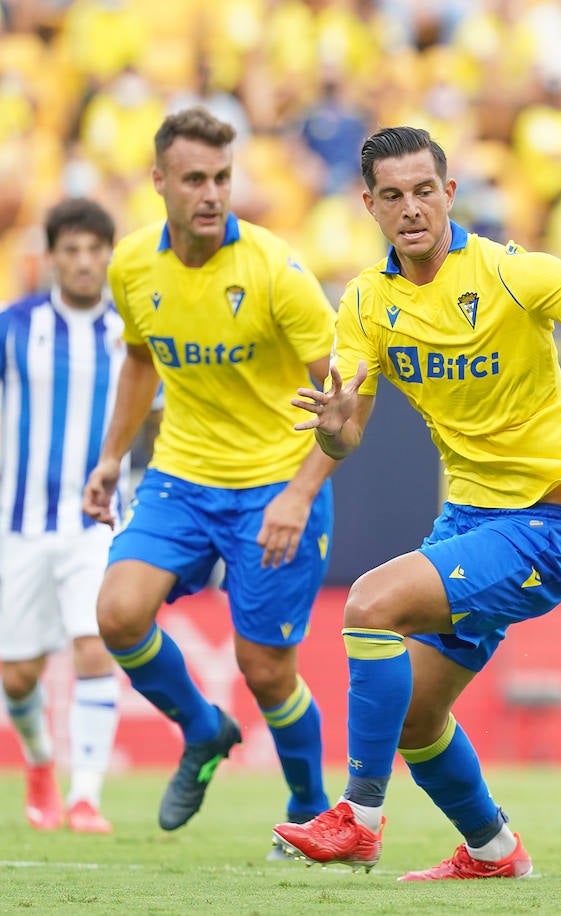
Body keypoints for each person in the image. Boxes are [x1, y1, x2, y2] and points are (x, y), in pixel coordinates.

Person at [271, 126, 561, 879]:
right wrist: (331, 434)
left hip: (543, 524)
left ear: (449, 193)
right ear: (369, 205)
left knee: (367, 604)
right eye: (392, 196)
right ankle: (494, 851)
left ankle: (358, 817)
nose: (411, 208)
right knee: (418, 717)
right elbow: (347, 430)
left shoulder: (507, 272)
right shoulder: (365, 304)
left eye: (424, 190)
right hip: (468, 522)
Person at [80, 107, 339, 841]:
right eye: (195, 178)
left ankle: (309, 809)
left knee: (266, 670)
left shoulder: (276, 272)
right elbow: (139, 359)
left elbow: (348, 397)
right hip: (181, 478)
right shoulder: (132, 265)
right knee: (118, 614)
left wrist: (300, 490)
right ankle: (202, 729)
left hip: (274, 487)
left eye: (223, 178)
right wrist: (110, 457)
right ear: (158, 181)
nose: (212, 193)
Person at [0, 199, 133, 834]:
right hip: (18, 522)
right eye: (70, 250)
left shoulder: (132, 335)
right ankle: (40, 764)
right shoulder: (14, 326)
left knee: (93, 646)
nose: (83, 262)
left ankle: (85, 797)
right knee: (18, 673)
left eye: (94, 249)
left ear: (109, 255)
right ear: (50, 257)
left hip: (95, 523)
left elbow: (161, 415)